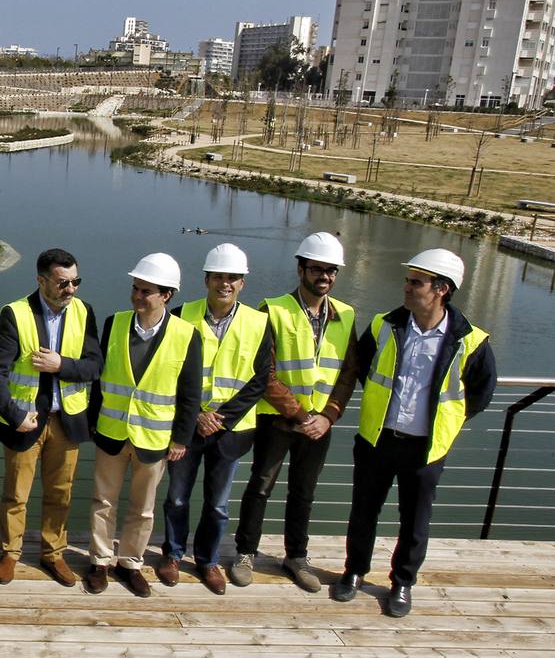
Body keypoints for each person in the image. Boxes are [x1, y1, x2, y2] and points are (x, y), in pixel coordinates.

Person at [331, 249, 496, 617]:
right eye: (408, 280)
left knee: (415, 520)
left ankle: (402, 583)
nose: (406, 287)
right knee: (363, 512)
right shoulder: (383, 325)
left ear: (441, 289)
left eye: (415, 282)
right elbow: (364, 369)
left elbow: (481, 392)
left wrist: (448, 423)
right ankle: (354, 572)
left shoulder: (470, 341)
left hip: (425, 448)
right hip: (378, 438)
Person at [230, 232, 359, 592]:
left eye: (331, 271)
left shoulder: (345, 315)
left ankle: (296, 557)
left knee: (304, 492)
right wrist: (301, 416)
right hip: (279, 420)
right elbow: (264, 373)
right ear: (301, 268)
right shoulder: (273, 310)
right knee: (260, 486)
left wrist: (328, 416)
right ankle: (245, 553)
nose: (325, 277)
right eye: (317, 269)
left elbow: (348, 373)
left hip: (319, 424)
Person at [157, 245, 272, 595]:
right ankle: (173, 555)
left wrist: (220, 419)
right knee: (176, 497)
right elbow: (167, 372)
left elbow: (260, 379)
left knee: (218, 505)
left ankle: (207, 561)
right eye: (219, 277)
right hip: (187, 427)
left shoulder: (259, 323)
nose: (225, 283)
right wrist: (197, 415)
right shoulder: (180, 315)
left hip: (231, 431)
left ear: (242, 284)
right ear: (206, 279)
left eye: (233, 278)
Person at [0, 248, 102, 586]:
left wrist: (61, 365)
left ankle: (53, 553)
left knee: (60, 493)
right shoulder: (15, 314)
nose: (71, 289)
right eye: (63, 283)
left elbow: (95, 366)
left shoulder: (84, 312)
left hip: (67, 423)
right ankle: (10, 552)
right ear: (41, 280)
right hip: (26, 421)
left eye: (75, 282)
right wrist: (14, 414)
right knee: (15, 494)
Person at [87, 254, 202, 598]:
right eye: (135, 288)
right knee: (102, 501)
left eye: (146, 291)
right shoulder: (114, 323)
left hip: (154, 438)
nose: (137, 296)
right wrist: (93, 421)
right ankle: (99, 561)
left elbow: (190, 393)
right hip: (111, 432)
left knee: (143, 507)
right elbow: (98, 380)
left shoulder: (186, 335)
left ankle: (131, 563)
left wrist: (181, 437)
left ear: (166, 295)